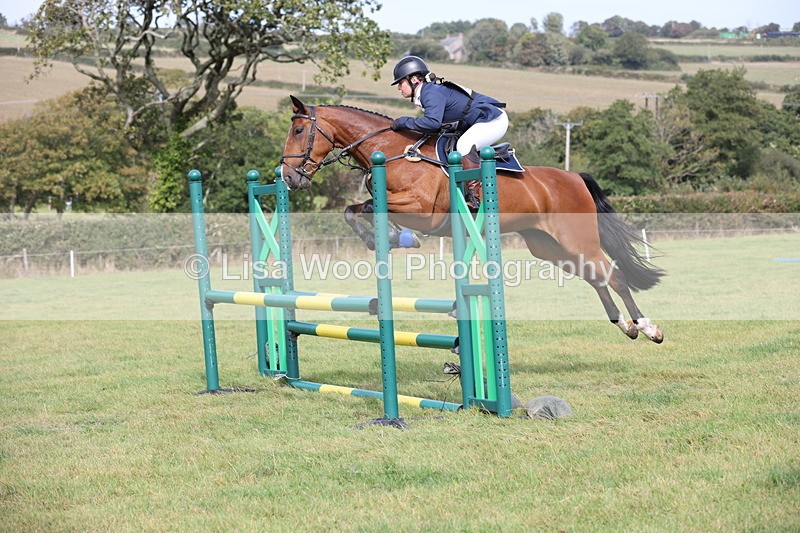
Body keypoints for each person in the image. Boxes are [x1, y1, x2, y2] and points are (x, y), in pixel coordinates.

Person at [389, 55, 508, 208]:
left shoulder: (430, 93)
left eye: (400, 82)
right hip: (476, 121)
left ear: (413, 80)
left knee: (464, 145)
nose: (399, 88)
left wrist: (404, 122)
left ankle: (474, 196)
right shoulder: (427, 91)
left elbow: (432, 123)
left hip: (493, 120)